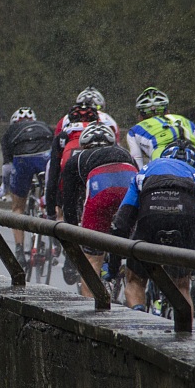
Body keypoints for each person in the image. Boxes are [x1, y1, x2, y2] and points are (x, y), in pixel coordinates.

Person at [108, 141, 195, 314]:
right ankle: (184, 334)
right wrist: (194, 261)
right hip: (185, 216)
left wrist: (113, 265)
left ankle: (139, 319)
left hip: (151, 214)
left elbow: (123, 220)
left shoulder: (146, 170)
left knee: (135, 280)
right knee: (181, 285)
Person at [61, 123, 137, 295]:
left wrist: (71, 237)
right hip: (129, 184)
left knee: (92, 259)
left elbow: (69, 204)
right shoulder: (125, 153)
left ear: (84, 145)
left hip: (101, 190)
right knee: (131, 244)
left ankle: (90, 304)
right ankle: (126, 269)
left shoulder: (78, 159)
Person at [0, 107, 54, 265]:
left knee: (17, 207)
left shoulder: (11, 131)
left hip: (23, 159)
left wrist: (5, 187)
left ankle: (19, 249)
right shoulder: (43, 125)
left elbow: (7, 167)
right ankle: (54, 241)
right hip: (45, 156)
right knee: (52, 198)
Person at [44, 102, 101, 220]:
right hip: (95, 171)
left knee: (63, 212)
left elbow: (53, 176)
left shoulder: (64, 134)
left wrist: (50, 211)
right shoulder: (102, 132)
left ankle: (60, 223)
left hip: (69, 166)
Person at [126, 86, 195, 169]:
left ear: (140, 117)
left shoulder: (135, 130)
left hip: (162, 165)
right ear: (168, 112)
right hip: (194, 161)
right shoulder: (187, 122)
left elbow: (137, 161)